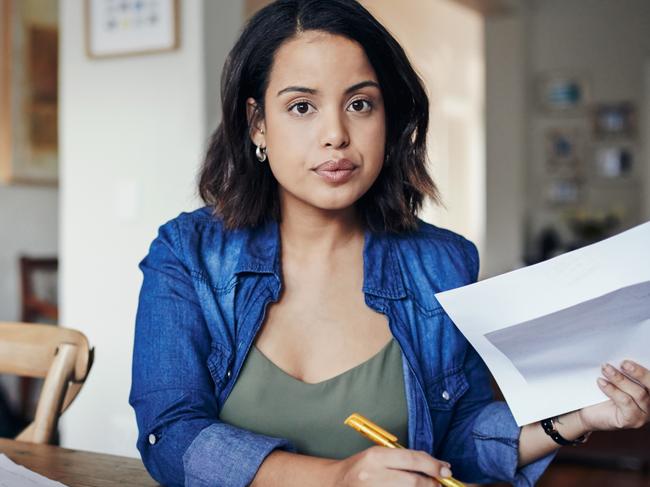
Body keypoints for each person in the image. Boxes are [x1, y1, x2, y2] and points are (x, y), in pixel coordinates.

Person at [129, 1, 650, 486]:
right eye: (302, 107)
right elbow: (171, 436)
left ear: (390, 120)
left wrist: (579, 417)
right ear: (257, 124)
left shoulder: (443, 262)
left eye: (360, 103)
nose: (336, 134)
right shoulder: (187, 254)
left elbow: (457, 440)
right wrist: (336, 478)